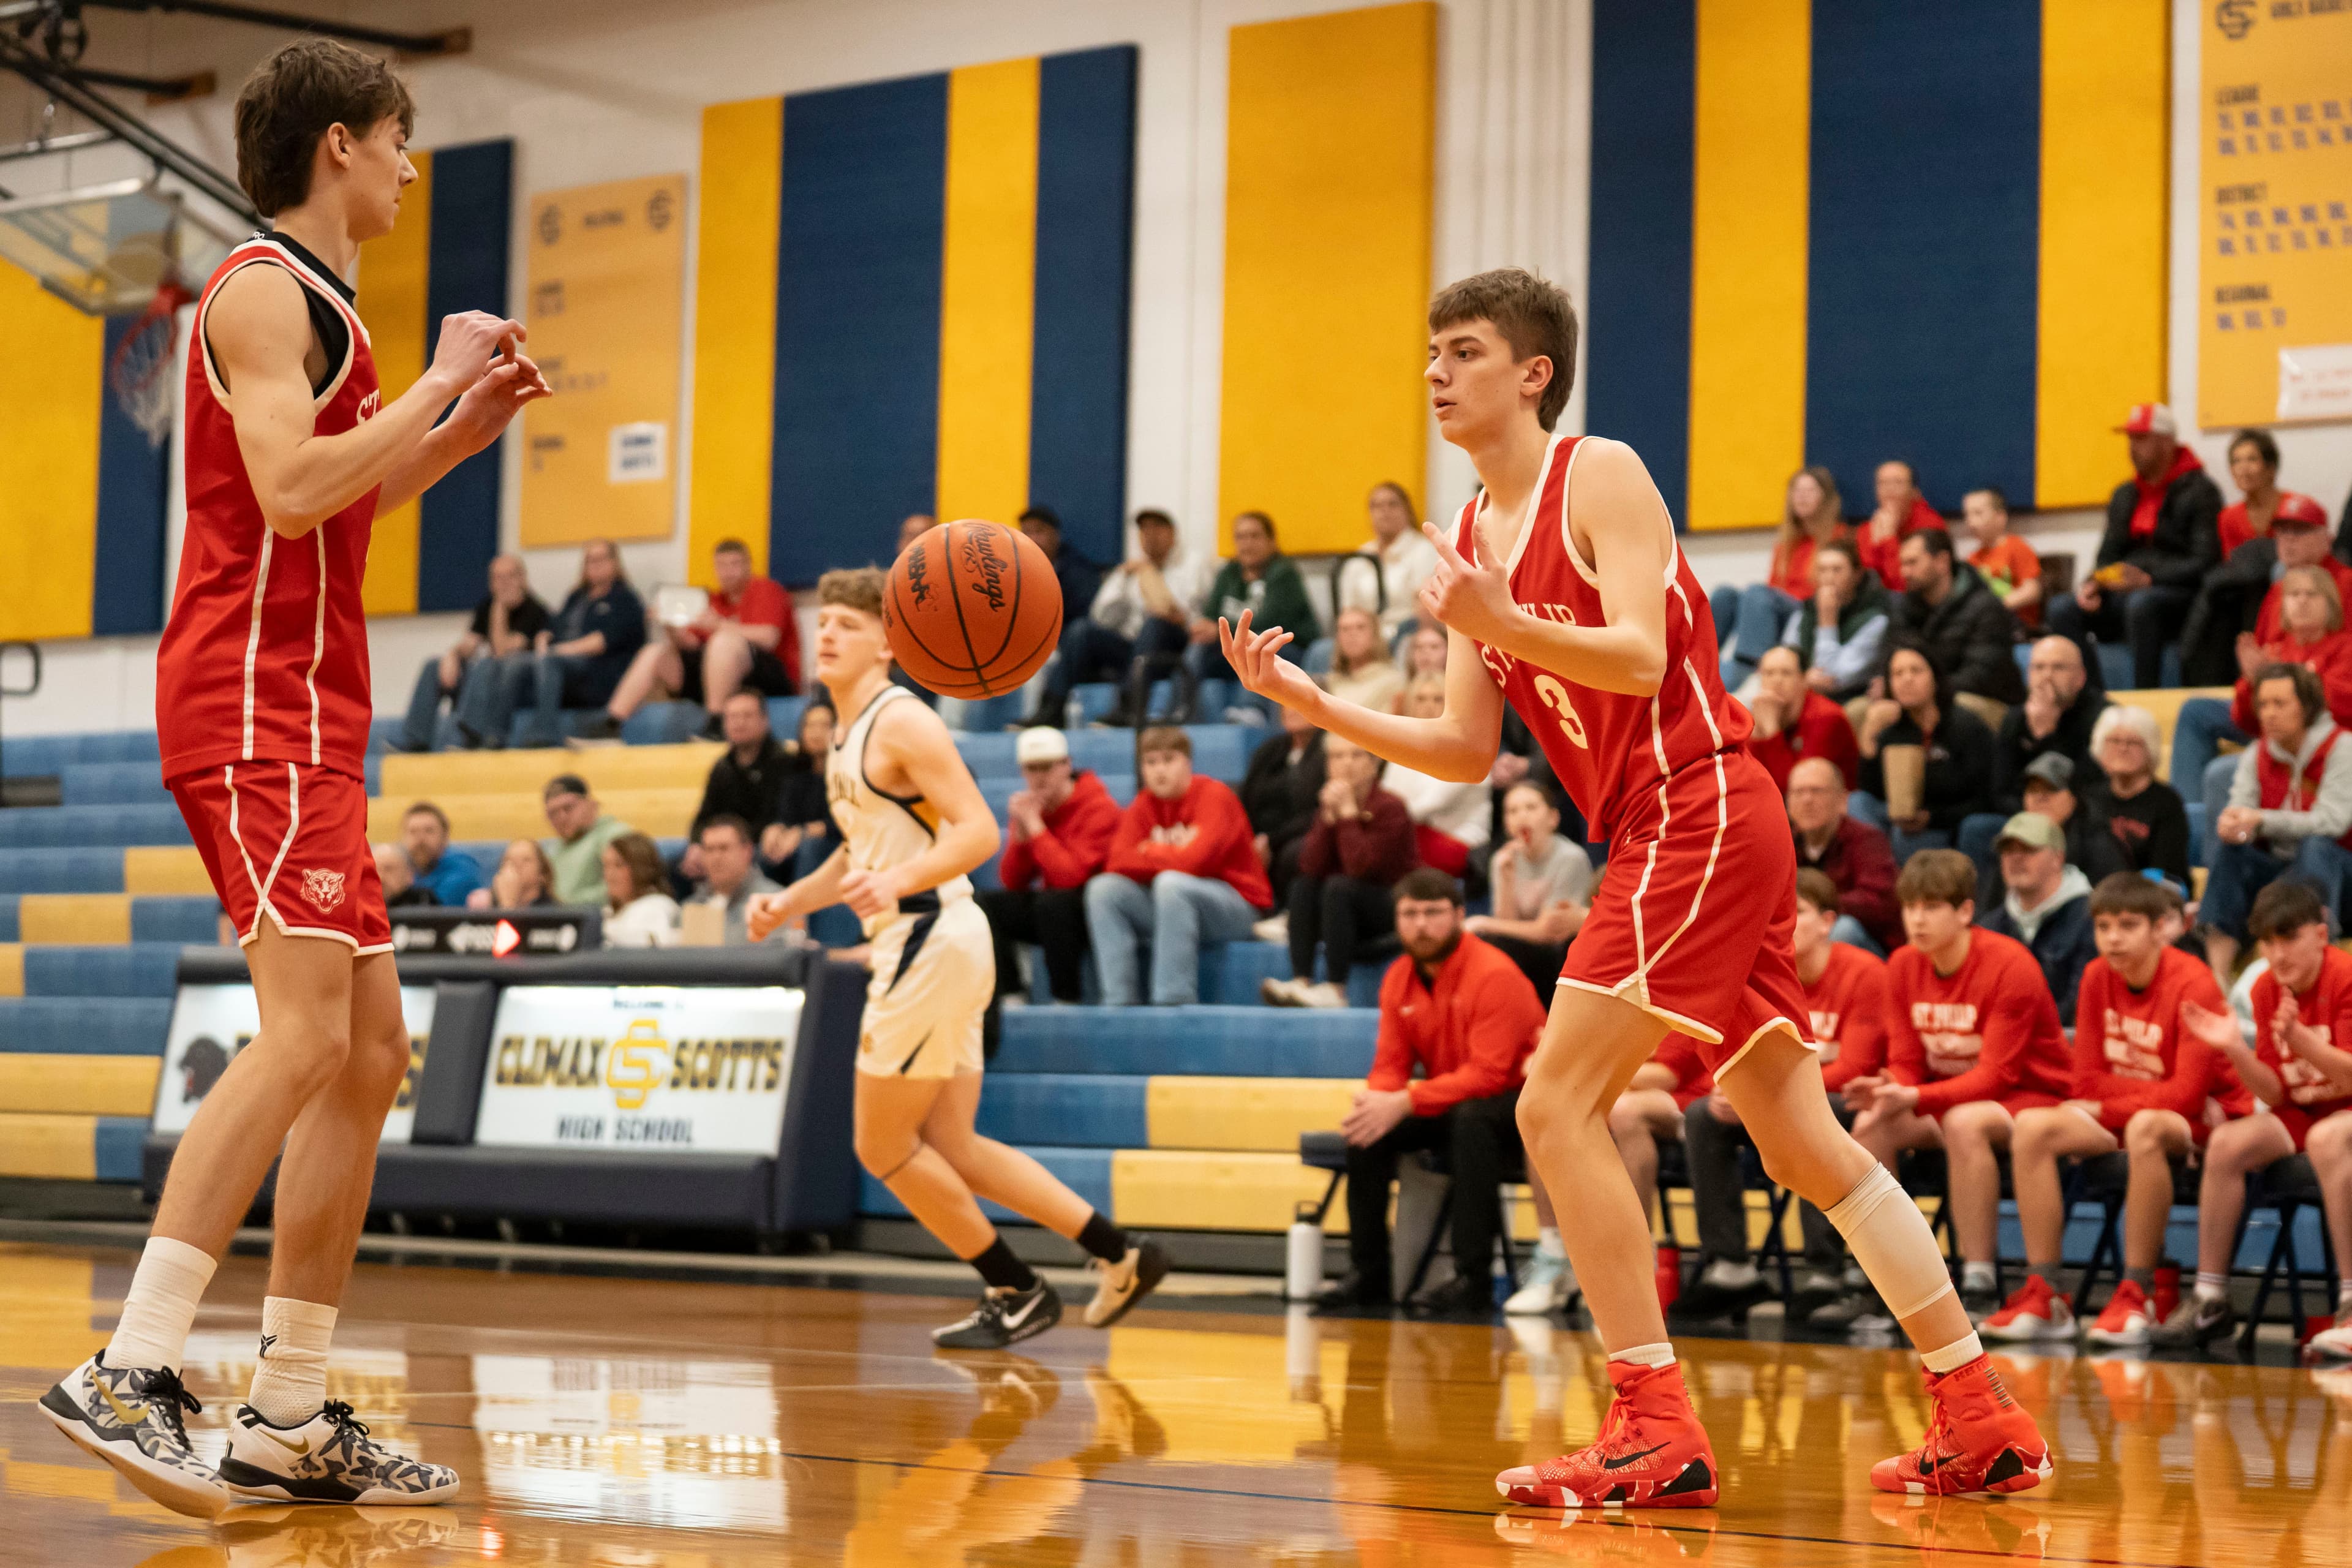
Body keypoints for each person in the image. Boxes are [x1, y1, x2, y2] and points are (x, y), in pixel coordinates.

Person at [1221, 267, 2047, 1506]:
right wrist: (1313, 701)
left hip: (1698, 802)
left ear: (1533, 370)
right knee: (1794, 1132)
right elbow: (1461, 747)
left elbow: (1642, 652)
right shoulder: (1465, 543)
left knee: (1555, 1103)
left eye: (1464, 350)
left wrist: (1502, 611)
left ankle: (1651, 1417)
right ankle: (1976, 1403)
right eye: (1432, 353)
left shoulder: (1597, 472)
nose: (1437, 372)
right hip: (1674, 831)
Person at [59, 37, 549, 1515]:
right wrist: (442, 383)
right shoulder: (265, 286)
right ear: (341, 143)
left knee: (370, 1048)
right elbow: (284, 486)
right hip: (254, 701)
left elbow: (346, 496)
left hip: (316, 706)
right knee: (298, 1034)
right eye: (400, 138)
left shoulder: (330, 311)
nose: (411, 163)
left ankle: (287, 1409)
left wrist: (463, 422)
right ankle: (130, 1365)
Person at [744, 568, 1167, 1346]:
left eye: (846, 623)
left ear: (889, 644)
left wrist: (899, 879)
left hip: (930, 937)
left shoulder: (902, 721)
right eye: (823, 621)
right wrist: (790, 902)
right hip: (939, 939)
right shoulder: (843, 731)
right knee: (955, 1144)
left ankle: (1016, 1286)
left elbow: (977, 831)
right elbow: (859, 849)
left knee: (881, 1144)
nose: (828, 633)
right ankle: (1121, 1252)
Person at [1980, 875, 2245, 1344]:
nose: (2113, 937)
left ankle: (2134, 1293)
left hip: (2206, 1122)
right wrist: (2124, 1097)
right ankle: (2046, 1294)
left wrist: (2107, 1102)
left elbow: (2185, 1097)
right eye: (2103, 926)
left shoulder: (2194, 982)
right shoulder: (2097, 976)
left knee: (2145, 1126)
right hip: (2131, 1112)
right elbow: (2084, 1079)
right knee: (2033, 1126)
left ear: (2162, 928)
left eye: (2127, 925)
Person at [1837, 852, 2071, 1323]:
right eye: (1910, 907)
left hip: (2031, 1098)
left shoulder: (2010, 965)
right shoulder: (1903, 965)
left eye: (1931, 907)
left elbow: (1998, 1076)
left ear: (1964, 912)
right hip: (1948, 1095)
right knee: (1870, 1124)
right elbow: (1906, 1061)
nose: (1917, 919)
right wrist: (1891, 1089)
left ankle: (1978, 1277)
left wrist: (1916, 1096)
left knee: (1965, 1122)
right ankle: (1890, 1278)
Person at [1323, 869, 1547, 1313]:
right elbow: (1390, 1066)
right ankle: (1368, 1272)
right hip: (1453, 1097)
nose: (1421, 925)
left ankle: (1473, 1277)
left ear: (1460, 916)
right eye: (1409, 914)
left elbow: (1489, 1076)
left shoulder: (1493, 973)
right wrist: (1380, 1102)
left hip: (1519, 1103)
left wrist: (1404, 1100)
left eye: (1432, 913)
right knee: (1366, 1130)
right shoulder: (1398, 977)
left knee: (1471, 1121)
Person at [1680, 870, 1889, 1324]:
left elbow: (1855, 1067)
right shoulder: (1759, 971)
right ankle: (1731, 1267)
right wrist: (1737, 1089)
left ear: (1828, 922)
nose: (1785, 921)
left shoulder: (1864, 973)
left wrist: (1766, 1096)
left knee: (1813, 1115)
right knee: (1702, 1115)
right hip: (1780, 1099)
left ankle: (1823, 1272)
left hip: (1851, 1102)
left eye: (1800, 911)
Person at [2158, 879, 2352, 1351]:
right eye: (2267, 941)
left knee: (2328, 1139)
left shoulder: (2345, 977)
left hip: (2344, 1108)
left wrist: (2302, 1040)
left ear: (2321, 935)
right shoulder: (2267, 986)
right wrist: (2234, 1049)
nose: (2277, 953)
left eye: (2289, 938)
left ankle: (2349, 1301)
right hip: (2304, 1108)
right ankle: (2211, 1298)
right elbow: (2277, 1090)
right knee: (2227, 1143)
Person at [1084, 727, 1271, 1006]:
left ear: (1188, 763)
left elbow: (1195, 862)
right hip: (1174, 908)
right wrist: (1175, 851)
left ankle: (1172, 1000)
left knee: (1171, 884)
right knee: (1103, 889)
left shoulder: (1215, 796)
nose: (1160, 770)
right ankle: (1118, 1001)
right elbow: (1117, 862)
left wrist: (1150, 851)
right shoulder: (1142, 805)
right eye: (1151, 762)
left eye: (1169, 760)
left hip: (1238, 907)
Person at [2047, 404, 2222, 690]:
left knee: (2143, 604)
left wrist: (2149, 579)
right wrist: (2096, 583)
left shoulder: (2201, 492)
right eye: (2130, 439)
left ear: (2166, 442)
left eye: (2141, 439)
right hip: (2128, 594)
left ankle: (2146, 698)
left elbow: (2206, 561)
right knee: (2062, 608)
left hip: (2177, 596)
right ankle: (2090, 696)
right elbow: (2107, 557)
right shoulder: (2125, 494)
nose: (2132, 447)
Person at [2199, 663, 2352, 979]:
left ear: (2307, 708)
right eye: (2263, 704)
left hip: (2340, 877)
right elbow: (2242, 808)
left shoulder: (2343, 748)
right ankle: (2218, 980)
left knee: (2317, 848)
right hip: (2282, 874)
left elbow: (2334, 822)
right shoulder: (2256, 752)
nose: (2268, 713)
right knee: (2231, 854)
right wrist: (2234, 825)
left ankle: (2318, 971)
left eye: (2279, 704)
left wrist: (2260, 820)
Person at [2180, 558, 2352, 829]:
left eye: (2312, 594)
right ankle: (2186, 821)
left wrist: (2291, 681)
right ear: (2282, 605)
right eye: (2294, 594)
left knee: (2221, 773)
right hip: (2274, 745)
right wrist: (2252, 683)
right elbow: (2246, 722)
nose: (2302, 601)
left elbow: (2343, 709)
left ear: (2330, 602)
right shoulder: (2275, 650)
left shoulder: (2345, 648)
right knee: (2195, 710)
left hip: (2325, 751)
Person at [587, 538, 799, 742]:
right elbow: (690, 646)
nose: (728, 572)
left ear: (749, 565)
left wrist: (719, 626)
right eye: (722, 566)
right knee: (655, 652)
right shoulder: (713, 600)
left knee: (723, 641)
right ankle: (612, 724)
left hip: (767, 677)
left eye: (735, 565)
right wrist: (669, 625)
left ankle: (716, 723)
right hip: (717, 675)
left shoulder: (766, 589)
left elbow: (769, 638)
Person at [1265, 734, 1417, 1008]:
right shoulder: (1327, 805)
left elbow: (1362, 869)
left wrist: (1347, 817)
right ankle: (1302, 981)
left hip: (1392, 907)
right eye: (1338, 756)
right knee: (1303, 886)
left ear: (1374, 765)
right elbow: (1309, 866)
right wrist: (1327, 818)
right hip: (1343, 910)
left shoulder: (1391, 808)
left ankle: (1336, 989)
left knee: (1339, 887)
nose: (1346, 763)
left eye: (1356, 755)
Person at [978, 727, 1119, 1011]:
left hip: (1094, 911)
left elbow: (1071, 878)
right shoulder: (1032, 809)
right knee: (983, 905)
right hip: (1054, 909)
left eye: (1047, 767)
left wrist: (1036, 829)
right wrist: (1020, 838)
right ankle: (1011, 993)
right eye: (1031, 769)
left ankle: (1066, 998)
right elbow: (1012, 882)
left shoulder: (1099, 807)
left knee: (1053, 904)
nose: (1039, 776)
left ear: (1066, 765)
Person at [1036, 508, 1203, 728]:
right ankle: (1051, 711)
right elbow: (1101, 616)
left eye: (1157, 528)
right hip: (1135, 649)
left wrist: (1150, 576)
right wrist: (1123, 579)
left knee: (1154, 625)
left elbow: (1175, 614)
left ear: (1172, 534)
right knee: (1081, 631)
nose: (1150, 535)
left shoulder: (1192, 565)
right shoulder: (1131, 569)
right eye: (1145, 530)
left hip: (1175, 645)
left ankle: (1129, 707)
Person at [1853, 641, 1997, 861]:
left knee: (1906, 837)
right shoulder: (1891, 730)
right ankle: (1876, 879)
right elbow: (1873, 791)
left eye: (1916, 671)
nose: (1907, 679)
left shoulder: (1966, 727)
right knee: (1858, 802)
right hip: (1899, 818)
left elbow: (1985, 798)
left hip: (1946, 823)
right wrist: (1869, 735)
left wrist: (1932, 818)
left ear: (1935, 678)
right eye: (1898, 673)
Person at [1170, 511, 1316, 723]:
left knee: (1257, 644)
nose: (1247, 544)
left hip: (1288, 650)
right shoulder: (1228, 574)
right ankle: (1180, 710)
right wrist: (1203, 629)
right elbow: (1212, 616)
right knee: (1198, 647)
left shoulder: (1285, 574)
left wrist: (1221, 630)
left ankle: (1251, 710)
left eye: (1254, 536)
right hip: (1238, 650)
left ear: (1271, 541)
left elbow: (1272, 622)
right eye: (1241, 537)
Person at [396, 553, 548, 751]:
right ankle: (416, 741)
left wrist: (499, 610)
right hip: (482, 682)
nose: (503, 584)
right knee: (435, 666)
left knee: (486, 665)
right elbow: (469, 643)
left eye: (509, 576)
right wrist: (452, 656)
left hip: (510, 689)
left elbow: (501, 651)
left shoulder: (535, 611)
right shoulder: (486, 606)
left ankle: (468, 737)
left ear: (522, 579)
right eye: (497, 578)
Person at [1714, 465, 1845, 685]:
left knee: (1756, 593)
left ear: (1826, 498)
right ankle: (1694, 662)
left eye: (1810, 491)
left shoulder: (1839, 537)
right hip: (1781, 608)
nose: (1802, 497)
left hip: (1807, 610)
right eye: (1797, 491)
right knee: (1725, 595)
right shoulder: (1787, 543)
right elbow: (1774, 588)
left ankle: (1748, 668)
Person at [515, 540, 646, 747]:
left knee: (550, 662)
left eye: (600, 559)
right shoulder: (576, 597)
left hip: (598, 674)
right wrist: (543, 638)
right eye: (589, 560)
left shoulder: (626, 600)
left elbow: (600, 641)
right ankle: (483, 735)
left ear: (615, 563)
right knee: (507, 664)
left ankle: (543, 736)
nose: (594, 564)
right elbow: (553, 627)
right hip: (563, 669)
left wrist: (557, 651)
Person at [1465, 780, 1593, 995]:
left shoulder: (1570, 858)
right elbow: (1507, 926)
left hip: (1563, 951)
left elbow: (1550, 931)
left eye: (1531, 808)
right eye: (1513, 811)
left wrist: (1483, 922)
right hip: (1525, 949)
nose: (1522, 816)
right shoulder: (1502, 859)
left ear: (1553, 818)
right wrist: (1506, 879)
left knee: (1494, 942)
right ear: (1506, 824)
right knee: (1495, 947)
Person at [1975, 813, 2097, 1027]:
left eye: (2028, 849)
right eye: (2008, 850)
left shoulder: (2093, 919)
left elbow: (2080, 1004)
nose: (2016, 858)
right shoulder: (1990, 925)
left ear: (2058, 858)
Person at [1888, 527, 2024, 712]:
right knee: (1867, 709)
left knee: (1960, 707)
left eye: (1912, 563)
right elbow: (1890, 656)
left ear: (1942, 562)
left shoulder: (1986, 607)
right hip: (1928, 697)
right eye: (1903, 564)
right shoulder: (1905, 607)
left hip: (1986, 702)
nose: (1905, 572)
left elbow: (1981, 676)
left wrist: (1927, 690)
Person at [1379, 676, 1493, 879]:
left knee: (1383, 845)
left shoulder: (1465, 748)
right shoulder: (1402, 747)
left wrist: (1384, 822)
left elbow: (1431, 804)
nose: (1428, 707)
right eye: (1421, 699)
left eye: (1437, 699)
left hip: (1460, 845)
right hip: (1415, 837)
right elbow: (1388, 797)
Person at [680, 690, 797, 887]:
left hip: (760, 845)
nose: (739, 723)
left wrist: (733, 843)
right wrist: (697, 843)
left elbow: (778, 817)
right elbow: (704, 817)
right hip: (726, 844)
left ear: (764, 721)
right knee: (682, 866)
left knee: (766, 856)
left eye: (747, 716)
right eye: (733, 717)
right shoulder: (722, 767)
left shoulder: (783, 763)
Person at [1787, 757, 1901, 954]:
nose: (1807, 800)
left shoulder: (1867, 839)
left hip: (1869, 949)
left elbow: (1879, 903)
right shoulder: (1784, 843)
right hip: (1806, 934)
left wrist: (1816, 910)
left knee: (1843, 929)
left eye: (1817, 791)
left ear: (1842, 800)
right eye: (1799, 792)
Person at [2076, 706, 2192, 890]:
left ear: (2150, 750)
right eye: (2114, 741)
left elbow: (2167, 872)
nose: (2123, 749)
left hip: (2150, 896)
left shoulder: (2167, 802)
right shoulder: (2089, 798)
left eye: (2133, 742)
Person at [1238, 701, 1325, 914]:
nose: (1292, 709)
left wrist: (1272, 840)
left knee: (1294, 853)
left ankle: (1289, 912)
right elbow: (1246, 798)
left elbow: (1318, 812)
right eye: (1286, 704)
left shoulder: (1330, 750)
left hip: (1300, 835)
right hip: (1260, 836)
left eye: (1297, 701)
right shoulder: (1269, 750)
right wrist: (1252, 838)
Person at [1780, 538, 1889, 703]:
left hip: (1848, 698)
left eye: (1837, 570)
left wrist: (1827, 622)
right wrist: (1803, 679)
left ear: (1857, 575)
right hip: (1802, 696)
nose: (1829, 578)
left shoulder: (1875, 621)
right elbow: (1783, 663)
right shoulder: (1804, 613)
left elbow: (1831, 677)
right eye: (1822, 570)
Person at [1332, 480, 1441, 644]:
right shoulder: (1360, 556)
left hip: (1404, 634)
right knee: (1321, 650)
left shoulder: (1422, 550)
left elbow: (1426, 608)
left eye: (1392, 504)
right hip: (1364, 636)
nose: (1385, 511)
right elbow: (1347, 609)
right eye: (1377, 506)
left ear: (1408, 511)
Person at [1746, 643, 1860, 794]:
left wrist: (1771, 732)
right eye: (1769, 673)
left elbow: (1797, 792)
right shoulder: (1761, 713)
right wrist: (1758, 733)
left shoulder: (1827, 717)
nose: (1777, 681)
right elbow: (1750, 781)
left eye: (1786, 673)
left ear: (1804, 679)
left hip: (1838, 808)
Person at [683, 816, 782, 946]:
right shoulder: (691, 907)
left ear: (747, 851)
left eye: (724, 848)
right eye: (710, 849)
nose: (716, 857)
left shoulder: (775, 901)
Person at [540, 774, 633, 907]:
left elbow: (626, 886)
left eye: (568, 808)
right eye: (553, 813)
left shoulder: (615, 836)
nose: (562, 817)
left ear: (591, 805)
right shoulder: (552, 850)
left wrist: (565, 905)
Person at [1964, 487, 2042, 630]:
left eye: (1978, 513)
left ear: (2000, 517)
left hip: (2017, 624)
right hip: (1985, 624)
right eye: (1967, 515)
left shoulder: (2016, 547)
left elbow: (2033, 591)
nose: (1971, 522)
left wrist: (1995, 606)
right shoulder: (1973, 558)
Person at [1018, 504, 1103, 631]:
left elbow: (1083, 615)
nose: (1032, 539)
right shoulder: (1015, 570)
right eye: (1027, 532)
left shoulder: (1078, 570)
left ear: (1056, 535)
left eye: (1039, 531)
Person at [600, 831, 680, 948]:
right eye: (606, 866)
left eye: (619, 865)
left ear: (641, 868)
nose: (609, 875)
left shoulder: (656, 907)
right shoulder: (608, 911)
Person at [2217, 427, 2286, 559]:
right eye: (2236, 461)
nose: (2243, 468)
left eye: (2252, 459)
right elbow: (2232, 564)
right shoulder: (2228, 517)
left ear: (2271, 467)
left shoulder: (2294, 508)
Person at [396, 802, 482, 907]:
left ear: (445, 836)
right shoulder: (399, 869)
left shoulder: (463, 870)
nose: (420, 839)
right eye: (413, 832)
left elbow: (430, 911)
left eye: (429, 831)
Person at [1324, 607, 1406, 712]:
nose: (1352, 634)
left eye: (1360, 627)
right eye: (1345, 629)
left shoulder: (1394, 682)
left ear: (1375, 635)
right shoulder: (1330, 681)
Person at [464, 837, 556, 910]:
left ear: (543, 874)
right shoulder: (485, 911)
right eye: (509, 860)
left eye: (526, 860)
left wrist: (508, 906)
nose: (516, 865)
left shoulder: (554, 915)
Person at [371, 842, 435, 910]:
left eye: (389, 869)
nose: (381, 877)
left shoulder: (425, 903)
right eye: (375, 870)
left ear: (409, 874)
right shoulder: (361, 906)